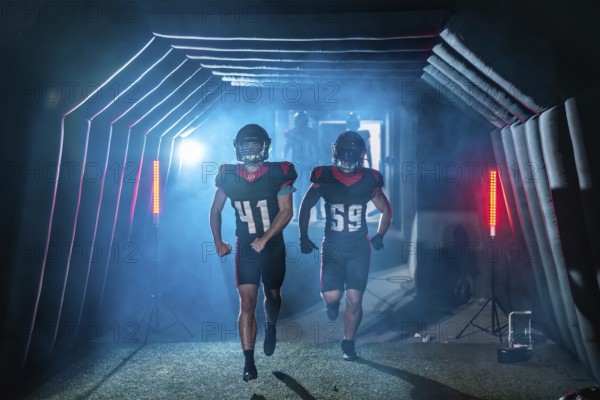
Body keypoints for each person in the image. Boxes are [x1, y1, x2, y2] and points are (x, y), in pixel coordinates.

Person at [209, 124, 297, 382]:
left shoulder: (279, 172)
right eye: (245, 145)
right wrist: (218, 240)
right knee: (247, 301)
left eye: (255, 145)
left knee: (273, 296)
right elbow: (215, 211)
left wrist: (265, 238)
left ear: (265, 147)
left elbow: (287, 212)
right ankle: (249, 361)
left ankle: (271, 326)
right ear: (237, 147)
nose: (250, 150)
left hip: (273, 245)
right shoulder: (227, 174)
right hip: (246, 245)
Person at [298, 130, 392, 361]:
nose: (348, 158)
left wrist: (380, 234)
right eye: (345, 152)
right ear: (336, 152)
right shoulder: (324, 176)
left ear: (360, 155)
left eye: (353, 153)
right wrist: (303, 235)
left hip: (359, 247)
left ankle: (348, 342)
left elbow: (385, 209)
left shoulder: (370, 179)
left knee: (354, 299)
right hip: (332, 245)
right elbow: (306, 205)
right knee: (331, 297)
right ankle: (332, 304)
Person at [283, 111, 325, 220]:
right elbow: (286, 147)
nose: (300, 122)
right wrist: (284, 159)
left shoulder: (312, 132)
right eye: (299, 120)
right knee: (297, 189)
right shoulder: (291, 133)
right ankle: (297, 213)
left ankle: (319, 213)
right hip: (297, 164)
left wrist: (317, 162)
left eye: (302, 120)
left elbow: (317, 147)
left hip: (310, 163)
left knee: (314, 188)